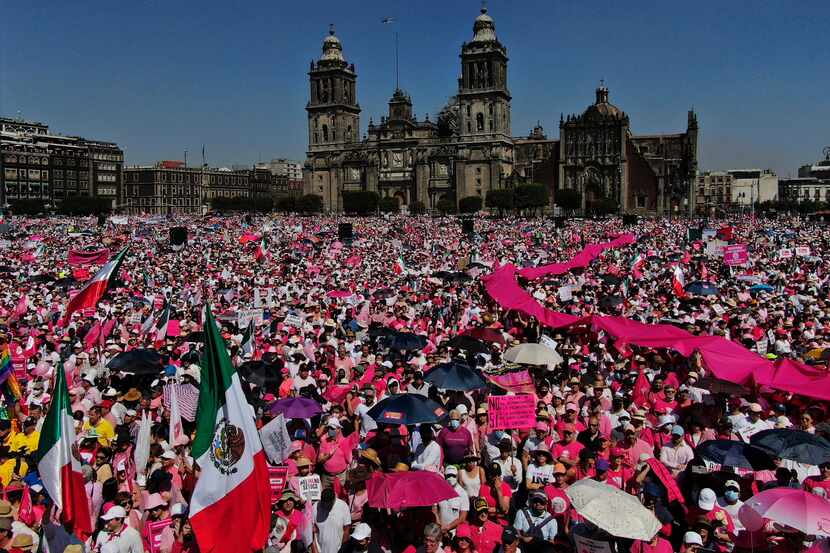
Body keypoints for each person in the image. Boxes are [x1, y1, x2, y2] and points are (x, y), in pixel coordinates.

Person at [312, 488, 352, 553]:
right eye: (324, 503)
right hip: (320, 550)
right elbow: (312, 531)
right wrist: (314, 550)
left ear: (334, 499)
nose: (326, 506)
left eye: (328, 504)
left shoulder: (343, 506)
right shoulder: (315, 507)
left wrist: (342, 550)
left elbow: (346, 530)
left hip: (338, 550)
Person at [437, 466, 469, 535]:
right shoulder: (438, 491)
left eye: (453, 475)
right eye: (448, 476)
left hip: (455, 532)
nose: (450, 478)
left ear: (457, 476)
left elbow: (462, 517)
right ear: (445, 476)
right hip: (439, 530)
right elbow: (434, 510)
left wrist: (448, 527)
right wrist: (440, 526)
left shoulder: (463, 494)